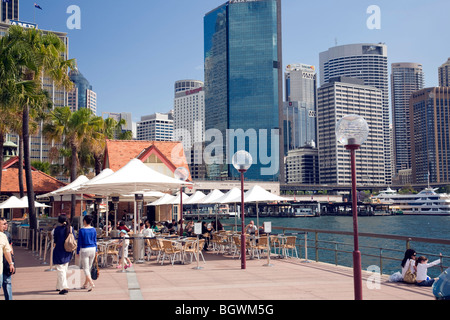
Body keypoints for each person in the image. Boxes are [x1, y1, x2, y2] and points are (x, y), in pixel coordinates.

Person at [52, 215, 74, 295]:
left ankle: (64, 286)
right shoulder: (71, 228)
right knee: (64, 269)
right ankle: (58, 286)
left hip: (59, 250)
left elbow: (55, 241)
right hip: (68, 250)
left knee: (60, 269)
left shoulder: (57, 229)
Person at [76, 215, 98, 292]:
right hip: (93, 248)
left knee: (85, 268)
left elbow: (79, 242)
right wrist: (96, 249)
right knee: (89, 267)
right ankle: (86, 284)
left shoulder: (82, 230)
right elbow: (95, 240)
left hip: (84, 249)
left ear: (84, 221)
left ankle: (91, 282)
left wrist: (77, 251)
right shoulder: (94, 229)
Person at [0, 218, 14, 300]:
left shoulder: (6, 235)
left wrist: (11, 263)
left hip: (4, 263)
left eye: (6, 223)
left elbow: (9, 250)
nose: (6, 225)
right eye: (4, 224)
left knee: (7, 282)